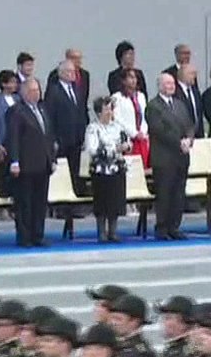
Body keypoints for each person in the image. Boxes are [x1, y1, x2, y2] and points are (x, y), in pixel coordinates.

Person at [7, 78, 56, 248]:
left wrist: (52, 159)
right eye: (33, 91)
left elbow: (48, 136)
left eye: (38, 90)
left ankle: (38, 234)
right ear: (25, 93)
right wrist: (14, 161)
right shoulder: (17, 111)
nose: (37, 93)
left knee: (40, 202)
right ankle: (25, 236)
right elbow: (13, 138)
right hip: (25, 165)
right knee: (24, 203)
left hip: (43, 164)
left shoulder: (43, 109)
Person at [145, 73, 194, 241]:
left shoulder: (180, 104)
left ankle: (174, 226)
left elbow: (189, 125)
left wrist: (189, 139)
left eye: (172, 83)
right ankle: (162, 227)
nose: (171, 86)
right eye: (167, 83)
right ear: (159, 86)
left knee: (179, 193)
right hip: (164, 157)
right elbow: (159, 130)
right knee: (165, 193)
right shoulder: (153, 106)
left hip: (182, 157)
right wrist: (178, 142)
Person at [84, 96, 132, 243]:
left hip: (116, 168)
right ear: (99, 112)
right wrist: (112, 148)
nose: (109, 112)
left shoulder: (118, 126)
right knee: (102, 202)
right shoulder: (93, 128)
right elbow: (92, 149)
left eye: (111, 109)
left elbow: (127, 143)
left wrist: (126, 147)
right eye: (106, 109)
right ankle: (101, 232)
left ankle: (113, 231)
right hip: (101, 170)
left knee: (115, 201)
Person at [45, 60, 88, 195]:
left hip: (76, 139)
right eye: (69, 71)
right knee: (62, 172)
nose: (73, 74)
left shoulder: (77, 89)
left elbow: (81, 112)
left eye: (74, 71)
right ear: (61, 73)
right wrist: (53, 139)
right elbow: (49, 117)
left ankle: (74, 199)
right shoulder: (53, 91)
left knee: (75, 171)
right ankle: (61, 205)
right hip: (61, 140)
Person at [0, 70, 19, 198]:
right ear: (4, 84)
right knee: (3, 171)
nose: (15, 85)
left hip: (16, 139)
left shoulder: (18, 98)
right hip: (3, 139)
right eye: (12, 82)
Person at [112, 68, 149, 168]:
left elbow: (145, 115)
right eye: (130, 77)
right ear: (123, 80)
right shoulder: (117, 97)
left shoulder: (141, 96)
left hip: (141, 138)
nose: (133, 80)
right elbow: (117, 119)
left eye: (135, 77)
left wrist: (143, 131)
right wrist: (134, 133)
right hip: (128, 138)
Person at [174, 64, 206, 139]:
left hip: (198, 136)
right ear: (183, 75)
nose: (194, 77)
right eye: (192, 73)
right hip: (182, 137)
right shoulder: (175, 92)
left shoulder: (195, 91)